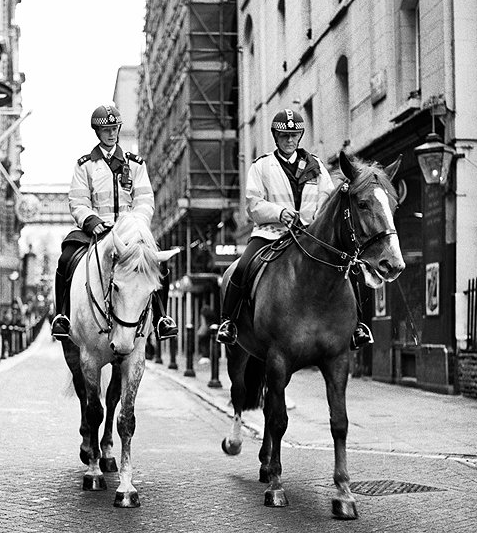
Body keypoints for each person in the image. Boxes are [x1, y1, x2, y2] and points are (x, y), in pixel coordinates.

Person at [216, 109, 375, 350]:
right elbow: (253, 204)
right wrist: (279, 213)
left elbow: (328, 200)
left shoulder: (317, 166)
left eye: (294, 135)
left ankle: (358, 326)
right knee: (242, 267)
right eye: (284, 135)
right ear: (275, 137)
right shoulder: (261, 166)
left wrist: (318, 221)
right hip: (270, 234)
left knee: (351, 266)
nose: (290, 140)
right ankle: (229, 322)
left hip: (311, 235)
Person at [50, 103, 177, 341]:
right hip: (96, 232)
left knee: (158, 263)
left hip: (128, 234)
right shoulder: (85, 165)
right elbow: (78, 200)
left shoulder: (136, 164)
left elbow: (144, 200)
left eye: (115, 128)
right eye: (106, 130)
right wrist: (90, 220)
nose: (112, 133)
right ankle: (62, 315)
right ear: (97, 133)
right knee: (66, 259)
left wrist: (135, 224)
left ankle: (162, 318)